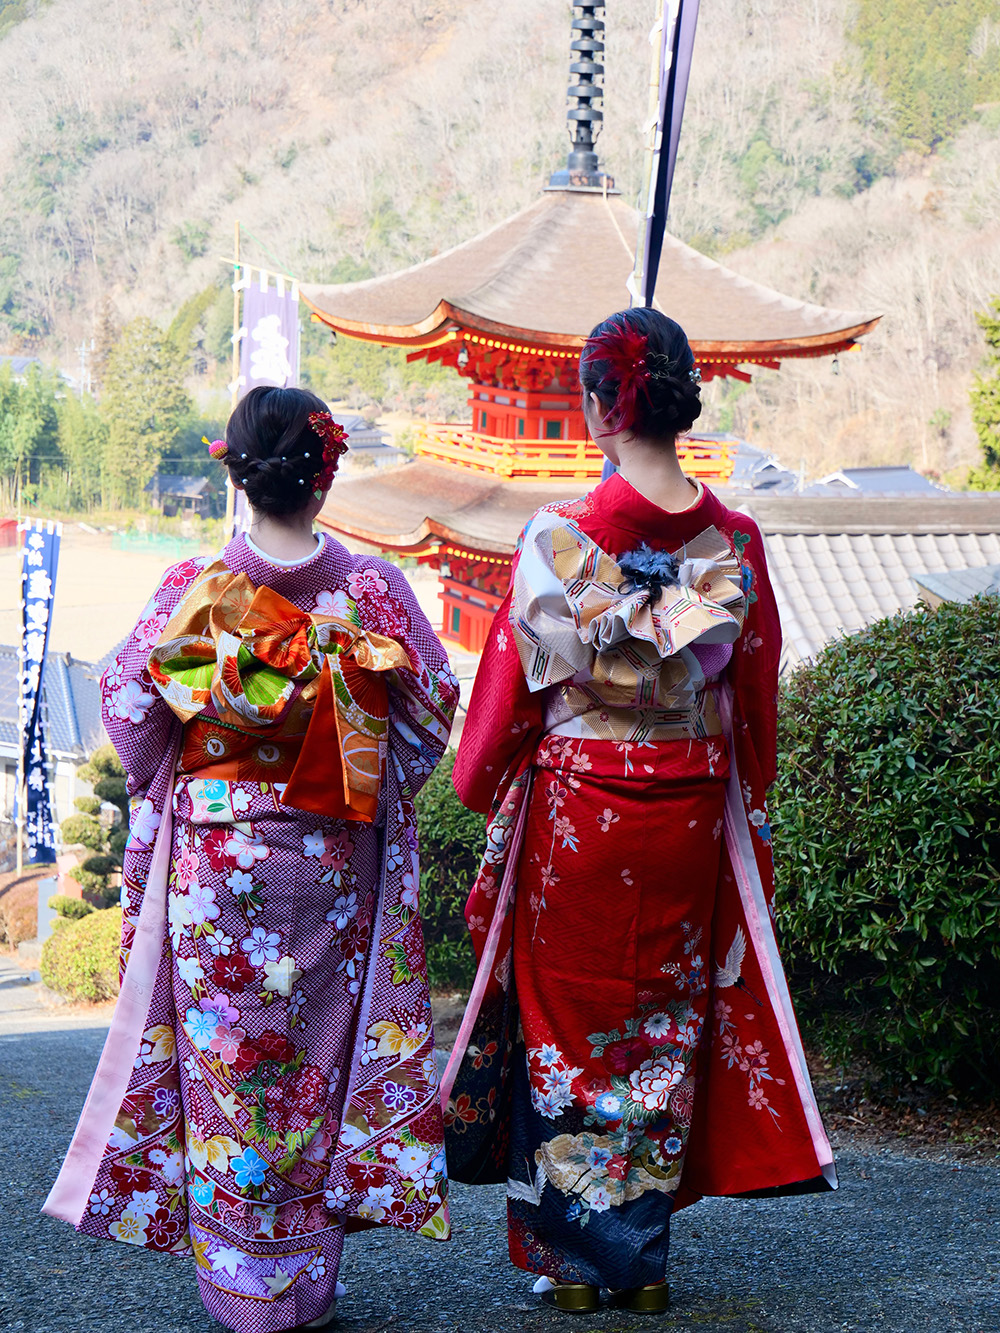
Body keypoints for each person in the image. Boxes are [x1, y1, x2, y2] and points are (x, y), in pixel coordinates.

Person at [445, 308, 836, 1314]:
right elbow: (753, 695)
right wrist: (742, 785)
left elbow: (501, 708)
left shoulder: (559, 538)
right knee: (657, 1030)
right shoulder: (733, 541)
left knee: (570, 1030)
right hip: (687, 814)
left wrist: (477, 779)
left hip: (579, 817)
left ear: (592, 407)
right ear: (682, 401)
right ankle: (642, 1258)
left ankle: (577, 1262)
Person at [44, 386, 459, 1332]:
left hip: (217, 877)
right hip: (330, 870)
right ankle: (305, 1279)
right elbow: (429, 714)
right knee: (314, 1064)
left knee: (229, 1064)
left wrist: (205, 766)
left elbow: (131, 709)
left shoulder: (194, 589)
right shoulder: (371, 594)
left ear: (237, 474)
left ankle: (240, 1285)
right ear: (327, 473)